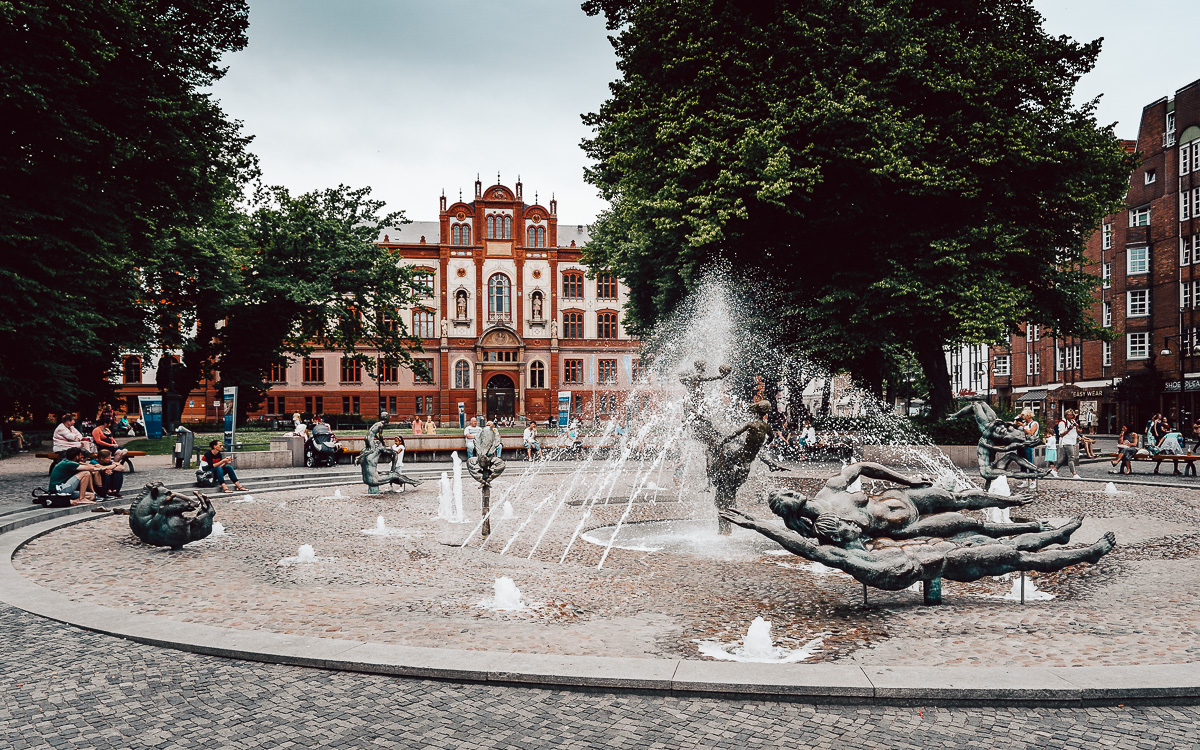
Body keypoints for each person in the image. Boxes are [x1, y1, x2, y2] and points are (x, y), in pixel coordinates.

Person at [1052, 409, 1080, 479]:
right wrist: (1068, 429)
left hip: (1073, 441)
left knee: (1065, 458)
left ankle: (1055, 470)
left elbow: (1078, 431)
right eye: (1069, 415)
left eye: (1072, 415)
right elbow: (1061, 434)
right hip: (1066, 442)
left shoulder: (1073, 421)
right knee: (1071, 458)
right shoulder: (1062, 423)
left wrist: (1077, 427)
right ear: (1066, 415)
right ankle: (1074, 474)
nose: (1071, 416)